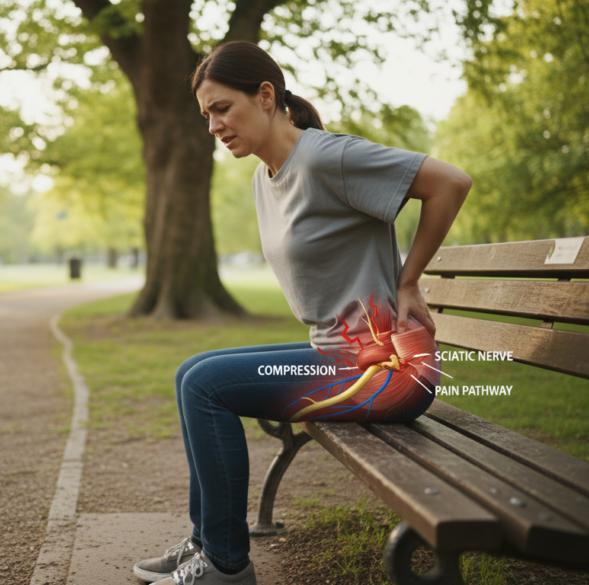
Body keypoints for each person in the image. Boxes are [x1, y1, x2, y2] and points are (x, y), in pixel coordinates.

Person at [132, 41, 472, 585]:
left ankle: (225, 566)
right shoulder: (265, 176)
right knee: (191, 372)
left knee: (206, 388)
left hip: (388, 372)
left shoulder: (324, 156)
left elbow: (450, 183)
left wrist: (409, 280)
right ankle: (206, 541)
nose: (213, 126)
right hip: (339, 356)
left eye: (222, 108)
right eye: (206, 115)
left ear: (266, 96)